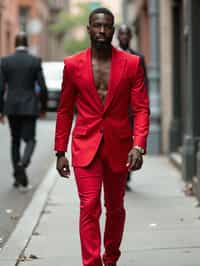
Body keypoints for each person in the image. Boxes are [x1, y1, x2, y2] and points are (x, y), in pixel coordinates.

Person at [55, 8, 150, 266]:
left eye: (106, 26)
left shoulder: (131, 64)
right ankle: (91, 263)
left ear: (113, 29)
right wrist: (60, 150)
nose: (101, 31)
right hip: (85, 145)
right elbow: (64, 110)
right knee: (88, 207)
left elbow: (141, 108)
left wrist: (139, 145)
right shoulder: (72, 65)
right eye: (96, 26)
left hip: (119, 146)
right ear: (88, 29)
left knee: (115, 208)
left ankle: (110, 258)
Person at [0, 32, 47, 191]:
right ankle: (23, 164)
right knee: (30, 140)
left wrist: (1, 110)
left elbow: (0, 88)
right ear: (27, 44)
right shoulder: (34, 61)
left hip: (11, 106)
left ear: (14, 43)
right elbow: (42, 86)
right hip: (29, 106)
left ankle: (17, 176)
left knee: (15, 141)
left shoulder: (5, 61)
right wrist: (43, 107)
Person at [117, 24, 148, 191]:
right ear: (117, 36)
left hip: (132, 109)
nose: (124, 37)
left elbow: (144, 84)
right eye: (121, 34)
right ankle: (120, 174)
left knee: (131, 143)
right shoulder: (111, 56)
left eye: (126, 34)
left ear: (130, 37)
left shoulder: (138, 58)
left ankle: (126, 176)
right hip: (116, 109)